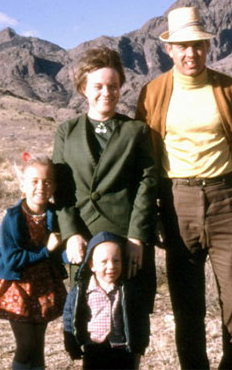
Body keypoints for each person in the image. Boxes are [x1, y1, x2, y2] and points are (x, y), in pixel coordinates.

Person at [136, 6, 232, 370]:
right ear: (169, 50)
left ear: (207, 47)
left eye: (197, 45)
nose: (190, 53)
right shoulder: (152, 94)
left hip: (226, 201)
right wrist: (152, 215)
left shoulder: (228, 89)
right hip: (177, 205)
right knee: (187, 307)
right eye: (182, 46)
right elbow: (145, 160)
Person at [52, 46, 157, 358]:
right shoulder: (66, 132)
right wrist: (70, 234)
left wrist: (138, 237)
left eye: (113, 86)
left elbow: (147, 184)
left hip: (125, 243)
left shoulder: (135, 131)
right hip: (83, 245)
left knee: (128, 325)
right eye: (98, 86)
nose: (106, 93)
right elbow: (62, 190)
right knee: (88, 325)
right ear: (84, 87)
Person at [0, 153, 68, 370]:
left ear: (54, 186)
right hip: (17, 287)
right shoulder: (13, 218)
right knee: (26, 344)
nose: (41, 187)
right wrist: (46, 252)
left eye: (47, 182)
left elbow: (60, 252)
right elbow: (12, 260)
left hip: (43, 286)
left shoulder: (55, 215)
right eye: (35, 181)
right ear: (23, 184)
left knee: (38, 345)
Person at [63, 231, 146, 370]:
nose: (111, 266)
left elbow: (140, 318)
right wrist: (72, 345)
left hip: (122, 348)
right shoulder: (81, 291)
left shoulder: (127, 290)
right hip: (93, 348)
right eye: (104, 261)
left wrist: (139, 344)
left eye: (116, 260)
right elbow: (69, 317)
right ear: (92, 265)